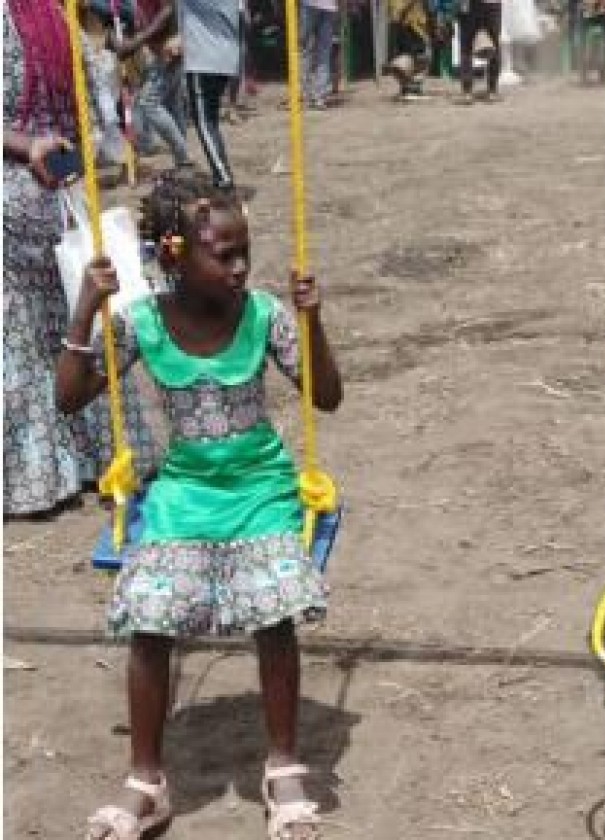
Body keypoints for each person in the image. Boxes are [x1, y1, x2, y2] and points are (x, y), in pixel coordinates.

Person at [57, 169, 342, 840]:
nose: (241, 267)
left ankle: (283, 765)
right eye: (225, 254)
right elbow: (69, 398)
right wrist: (84, 308)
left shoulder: (264, 314)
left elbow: (326, 396)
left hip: (262, 489)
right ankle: (146, 782)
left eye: (246, 251)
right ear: (175, 256)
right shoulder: (142, 322)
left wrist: (313, 321)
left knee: (274, 608)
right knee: (151, 616)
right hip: (184, 493)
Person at [3, 0, 157, 519]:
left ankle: (41, 475)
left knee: (30, 339)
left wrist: (28, 144)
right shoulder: (58, 16)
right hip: (58, 194)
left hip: (22, 196)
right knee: (74, 325)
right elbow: (96, 110)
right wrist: (59, 149)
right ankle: (96, 453)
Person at [110, 0, 193, 169]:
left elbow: (167, 11)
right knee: (173, 104)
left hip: (170, 51)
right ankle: (183, 161)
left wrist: (136, 42)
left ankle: (183, 157)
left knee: (149, 103)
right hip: (164, 52)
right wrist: (120, 40)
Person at [177, 0, 242, 190]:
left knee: (205, 123)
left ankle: (223, 178)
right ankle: (220, 176)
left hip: (203, 60)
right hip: (225, 58)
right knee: (210, 122)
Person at [457, 0, 502, 102]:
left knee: (466, 47)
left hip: (471, 5)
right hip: (491, 4)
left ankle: (467, 92)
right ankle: (492, 91)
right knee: (494, 45)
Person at [300, 0, 342, 108]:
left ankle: (306, 95)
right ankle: (320, 97)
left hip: (311, 5)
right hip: (329, 7)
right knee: (323, 53)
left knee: (306, 50)